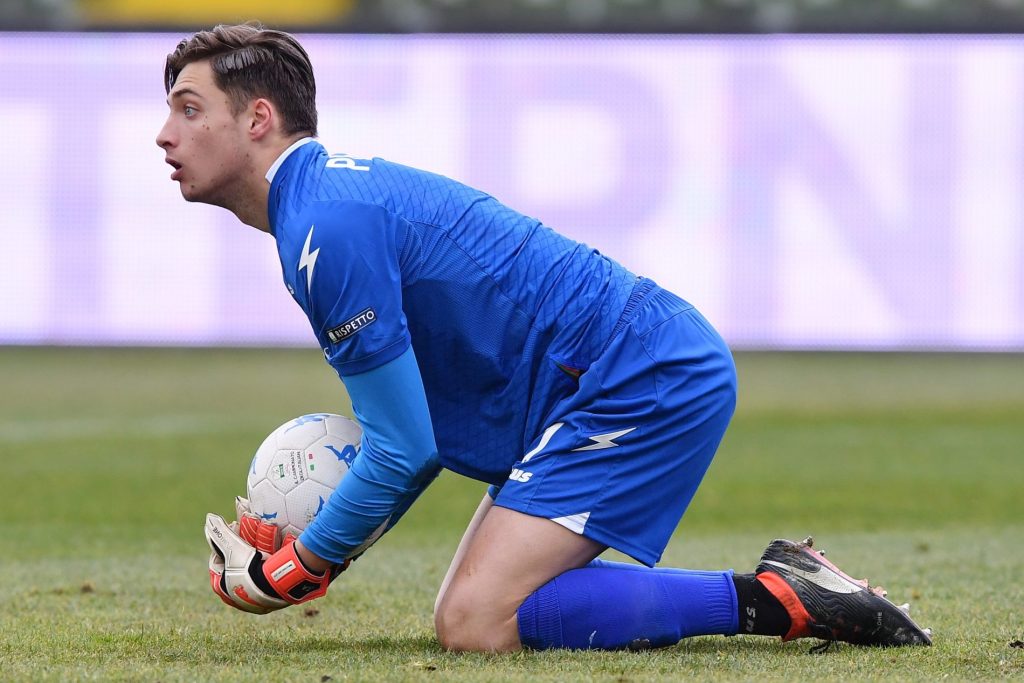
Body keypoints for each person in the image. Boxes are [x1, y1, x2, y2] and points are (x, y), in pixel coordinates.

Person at [157, 23, 931, 652]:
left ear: (258, 119)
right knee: (467, 614)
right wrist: (326, 546)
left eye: (189, 109)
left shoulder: (326, 228)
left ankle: (782, 598)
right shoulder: (323, 208)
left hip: (639, 372)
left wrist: (298, 566)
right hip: (600, 376)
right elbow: (415, 438)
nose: (165, 135)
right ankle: (784, 590)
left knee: (479, 621)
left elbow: (402, 448)